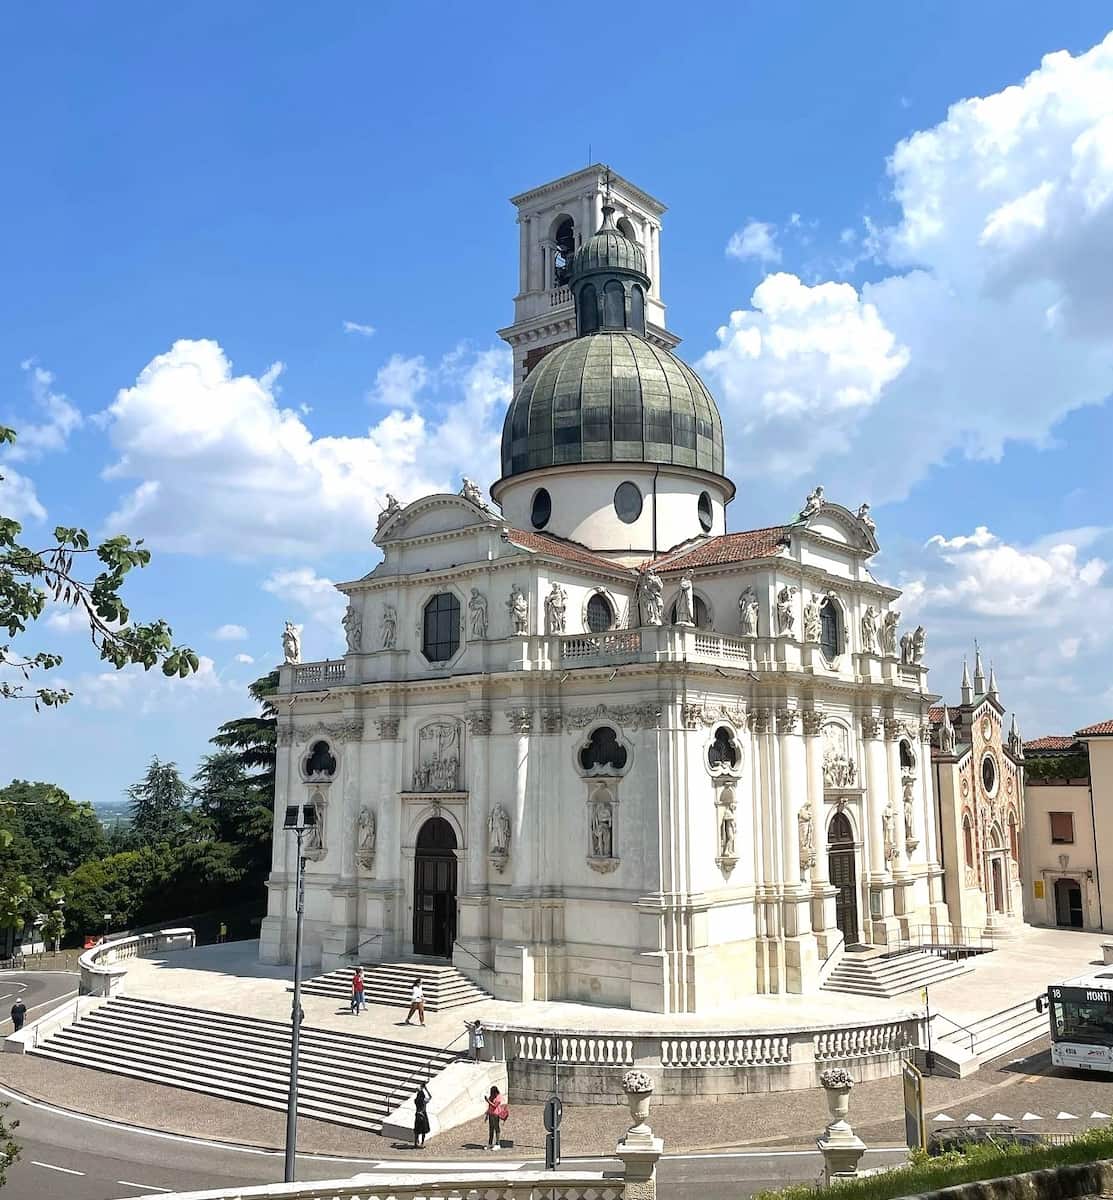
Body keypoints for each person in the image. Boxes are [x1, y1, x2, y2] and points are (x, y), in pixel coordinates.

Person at [485, 1084, 506, 1150]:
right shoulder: (491, 1096)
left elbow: (495, 1106)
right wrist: (487, 1115)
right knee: (491, 1129)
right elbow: (489, 1106)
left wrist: (488, 1101)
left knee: (496, 1128)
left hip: (496, 1114)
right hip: (491, 1114)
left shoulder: (499, 1097)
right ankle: (490, 1143)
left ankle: (497, 1144)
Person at [413, 1083, 431, 1148]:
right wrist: (426, 1089)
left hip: (417, 1114)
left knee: (417, 1130)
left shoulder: (415, 1100)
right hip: (423, 1115)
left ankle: (415, 1142)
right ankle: (422, 1143)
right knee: (424, 1130)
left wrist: (419, 1090)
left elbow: (418, 1094)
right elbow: (430, 1097)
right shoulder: (424, 1101)